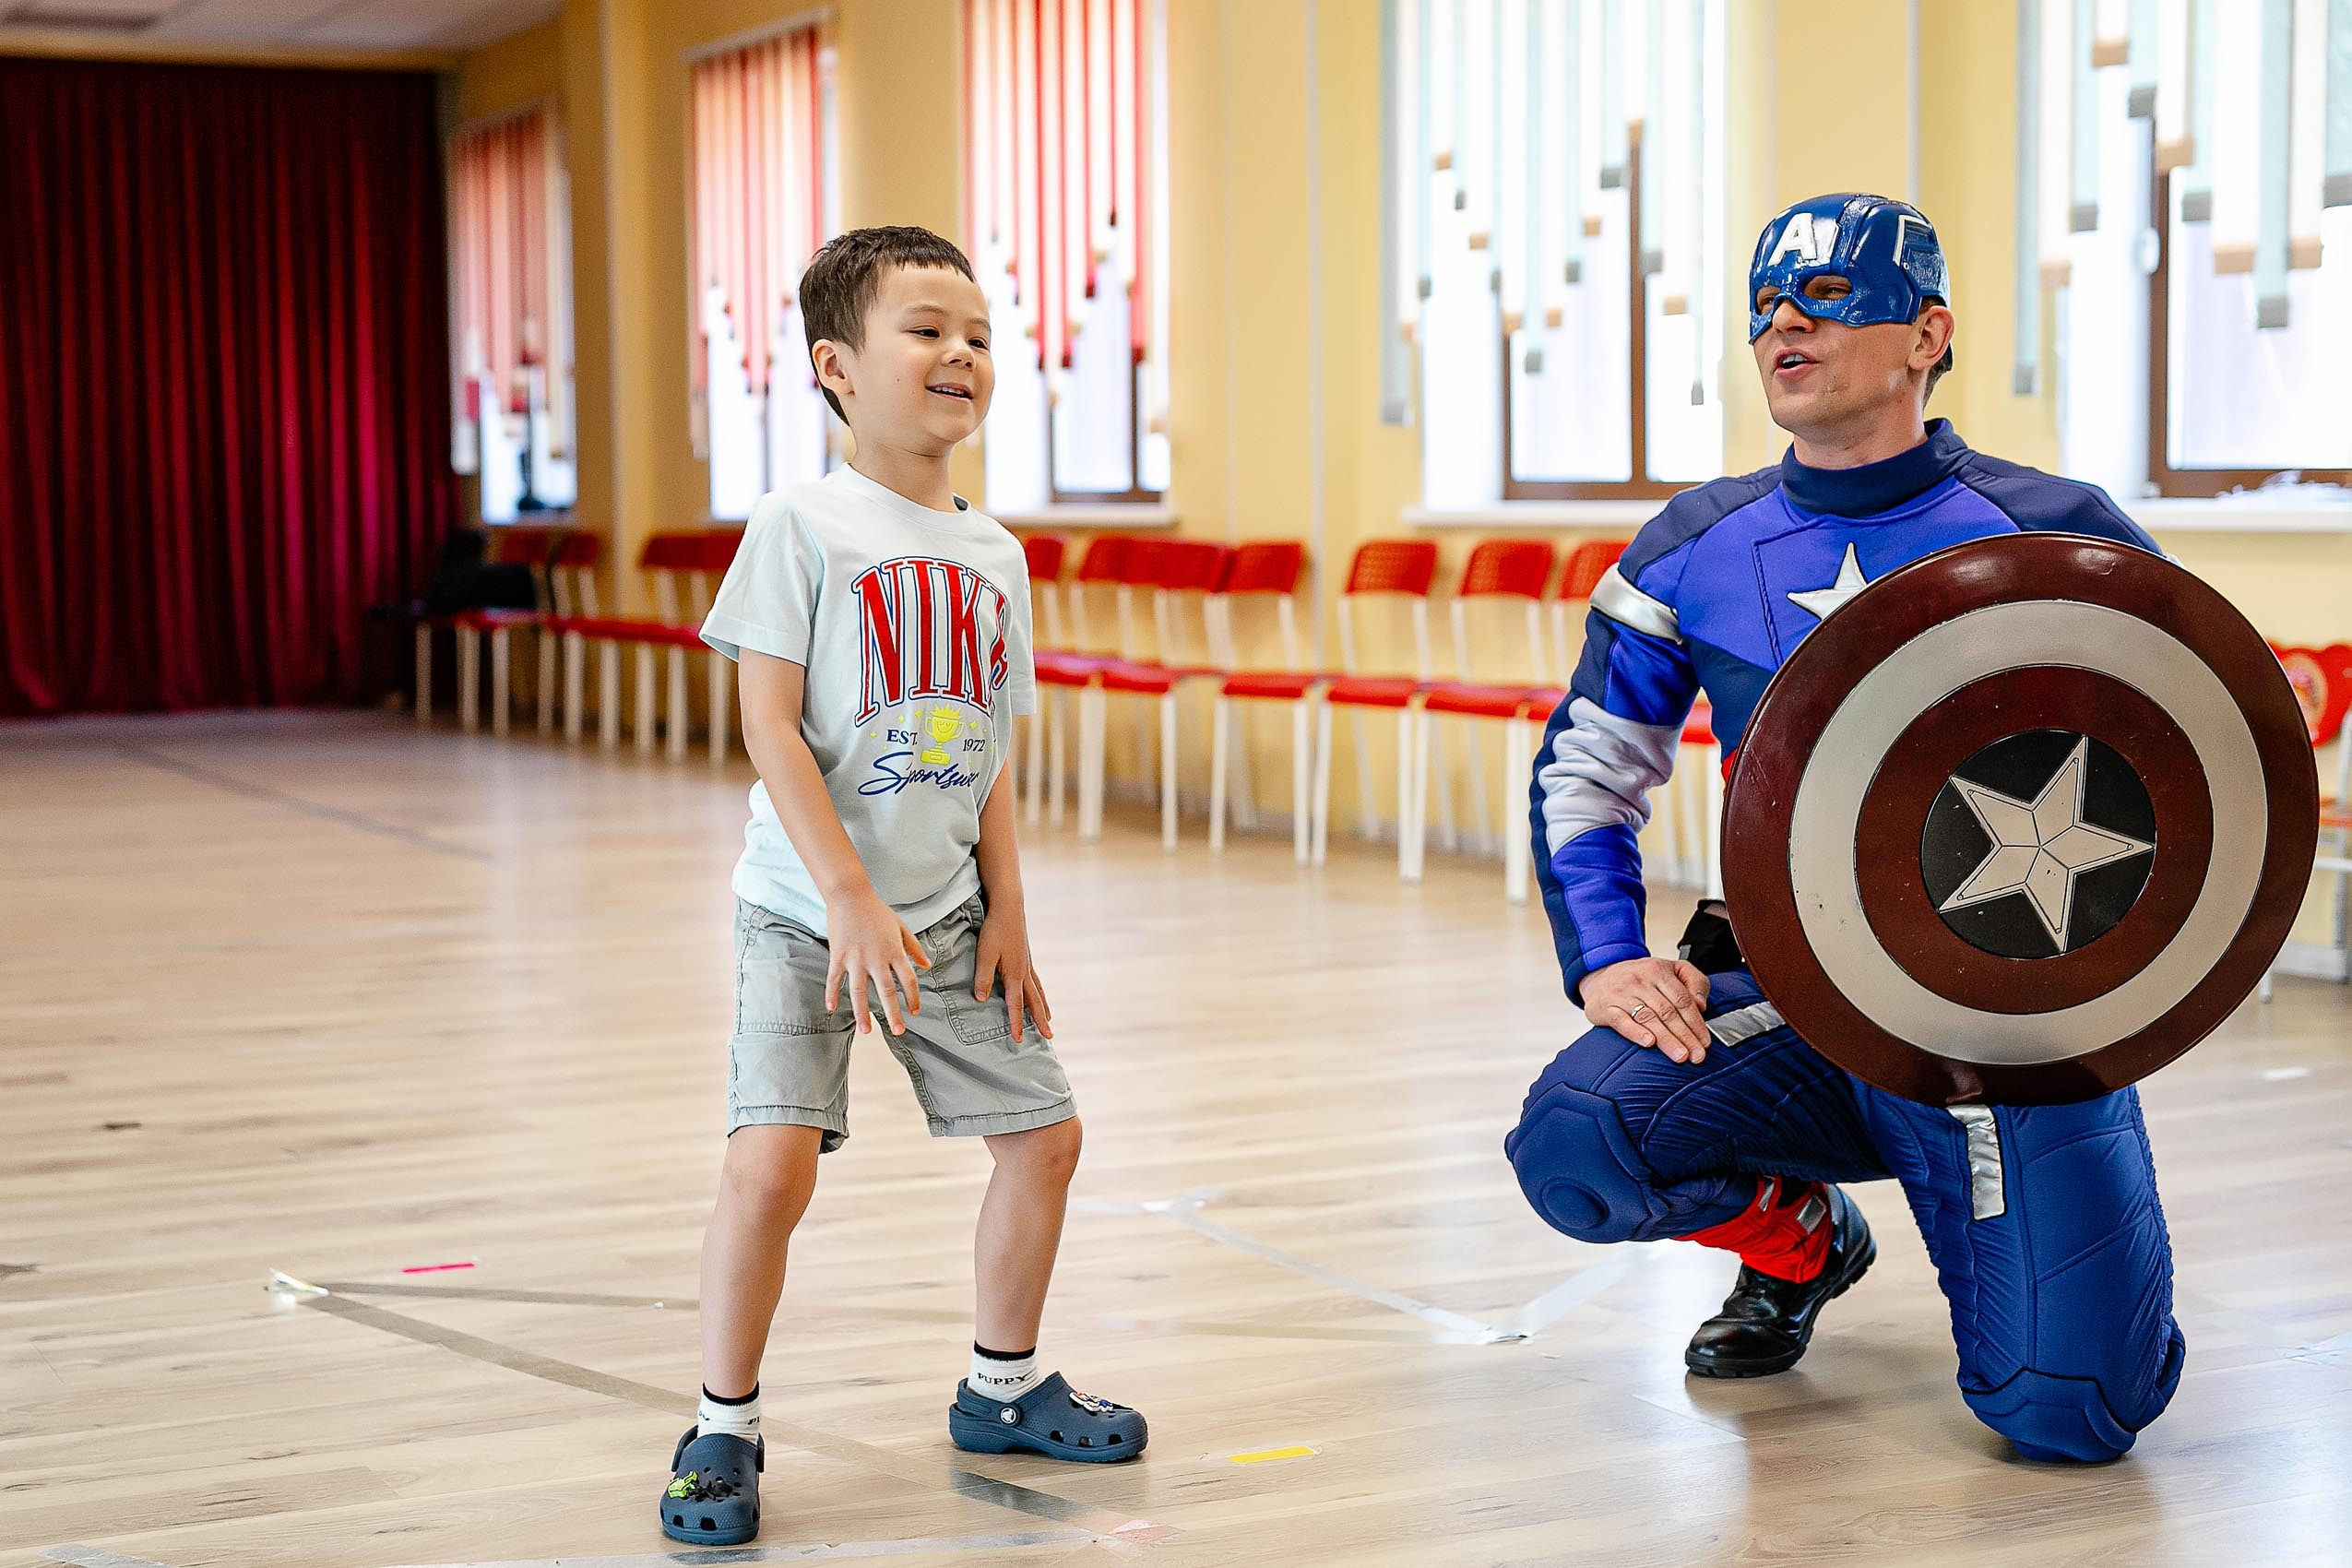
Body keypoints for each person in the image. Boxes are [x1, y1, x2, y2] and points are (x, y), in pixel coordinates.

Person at [1508, 195, 2184, 1464]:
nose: (1779, 327)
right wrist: (1605, 952)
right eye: (1762, 306)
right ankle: (1801, 1245)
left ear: (1927, 334)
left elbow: (2194, 744)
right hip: (1797, 995)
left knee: (2070, 1411)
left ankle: (2049, 1228)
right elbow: (1588, 773)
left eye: (1821, 298)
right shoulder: (1692, 546)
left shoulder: (2057, 526)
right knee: (1580, 1138)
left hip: (2006, 1024)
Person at [659, 226, 1146, 1548]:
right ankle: (721, 1426)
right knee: (769, 1169)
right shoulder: (798, 525)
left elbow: (985, 747)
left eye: (977, 335)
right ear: (837, 365)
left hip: (949, 916)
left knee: (1043, 1139)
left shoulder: (995, 552)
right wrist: (848, 897)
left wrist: (1012, 918)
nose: (960, 355)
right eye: (925, 330)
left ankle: (1003, 1388)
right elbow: (768, 728)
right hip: (802, 913)